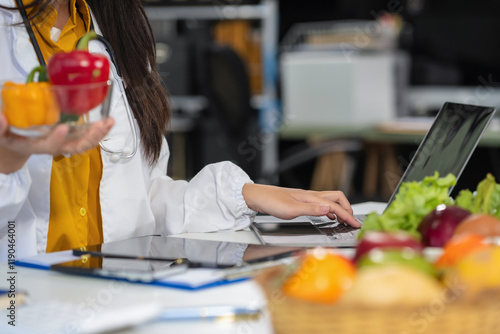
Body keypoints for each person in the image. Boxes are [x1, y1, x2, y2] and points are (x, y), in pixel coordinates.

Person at [0, 0, 360, 259]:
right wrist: (9, 160)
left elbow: (145, 201)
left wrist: (246, 195)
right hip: (20, 301)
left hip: (117, 296)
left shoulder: (116, 29)